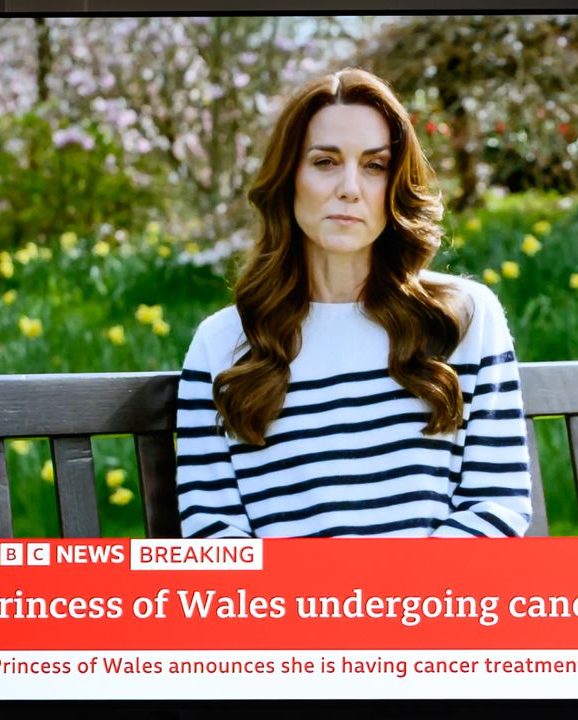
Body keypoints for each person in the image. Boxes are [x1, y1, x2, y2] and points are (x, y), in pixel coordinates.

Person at [174, 68, 531, 538]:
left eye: (374, 165)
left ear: (395, 185)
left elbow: (497, 501)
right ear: (289, 179)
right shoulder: (223, 344)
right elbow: (211, 531)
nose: (350, 187)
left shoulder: (463, 319)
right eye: (325, 162)